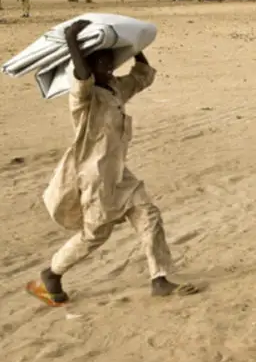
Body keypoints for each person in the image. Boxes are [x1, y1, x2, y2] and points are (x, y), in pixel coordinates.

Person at [26, 19, 197, 306]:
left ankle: (160, 278)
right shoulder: (83, 98)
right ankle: (52, 273)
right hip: (94, 177)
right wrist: (72, 40)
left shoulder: (116, 89)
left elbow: (142, 76)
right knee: (95, 234)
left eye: (110, 63)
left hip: (119, 173)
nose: (108, 68)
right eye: (102, 64)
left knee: (149, 215)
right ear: (90, 69)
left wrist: (136, 46)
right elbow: (80, 75)